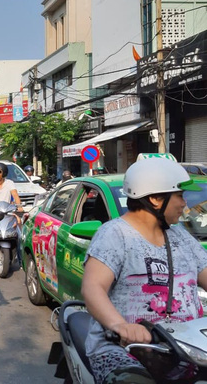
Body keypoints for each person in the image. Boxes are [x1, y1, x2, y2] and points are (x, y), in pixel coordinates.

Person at [81, 158, 207, 384]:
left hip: (186, 349)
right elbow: (93, 287)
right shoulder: (115, 234)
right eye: (179, 195)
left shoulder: (180, 236)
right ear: (156, 199)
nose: (184, 204)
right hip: (126, 352)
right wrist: (120, 326)